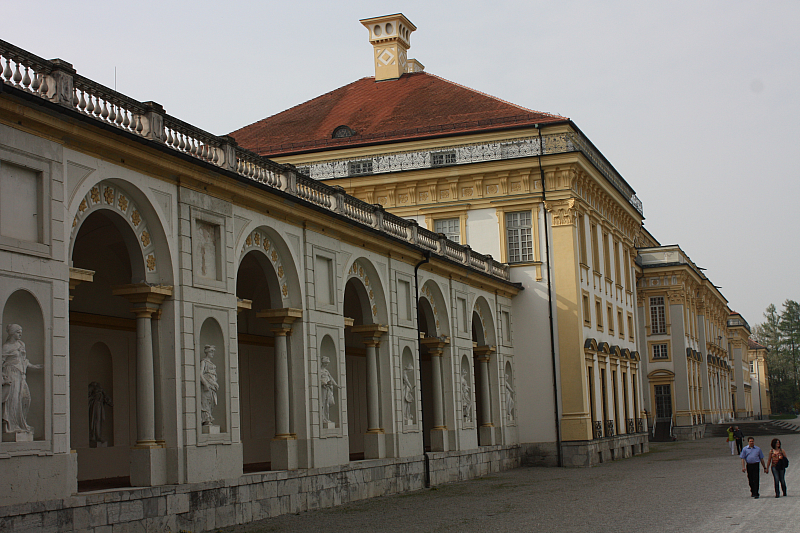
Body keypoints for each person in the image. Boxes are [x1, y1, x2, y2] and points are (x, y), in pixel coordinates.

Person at [2, 324, 43, 435]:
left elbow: (24, 360)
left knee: (25, 398)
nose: (20, 334)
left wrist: (34, 366)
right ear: (12, 333)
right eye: (18, 332)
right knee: (13, 400)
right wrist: (3, 378)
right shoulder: (6, 347)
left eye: (21, 332)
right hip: (11, 373)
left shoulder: (21, 344)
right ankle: (11, 425)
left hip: (21, 374)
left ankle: (21, 423)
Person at [199, 345, 219, 426]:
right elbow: (200, 374)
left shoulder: (212, 364)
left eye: (213, 351)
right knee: (206, 403)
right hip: (207, 386)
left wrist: (215, 383)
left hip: (212, 386)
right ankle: (206, 420)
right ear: (207, 352)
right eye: (211, 351)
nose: (212, 353)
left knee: (211, 403)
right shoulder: (203, 362)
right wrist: (206, 383)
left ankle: (209, 418)